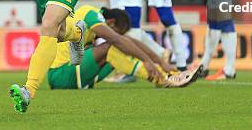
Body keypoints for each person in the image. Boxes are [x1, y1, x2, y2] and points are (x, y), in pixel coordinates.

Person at [47, 6, 200, 90]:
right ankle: (161, 79)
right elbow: (117, 39)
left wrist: (161, 62)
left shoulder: (92, 23)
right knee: (111, 46)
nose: (118, 34)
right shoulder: (91, 14)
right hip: (60, 75)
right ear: (111, 22)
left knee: (120, 45)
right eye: (118, 30)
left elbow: (126, 40)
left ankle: (170, 72)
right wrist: (147, 61)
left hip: (73, 73)